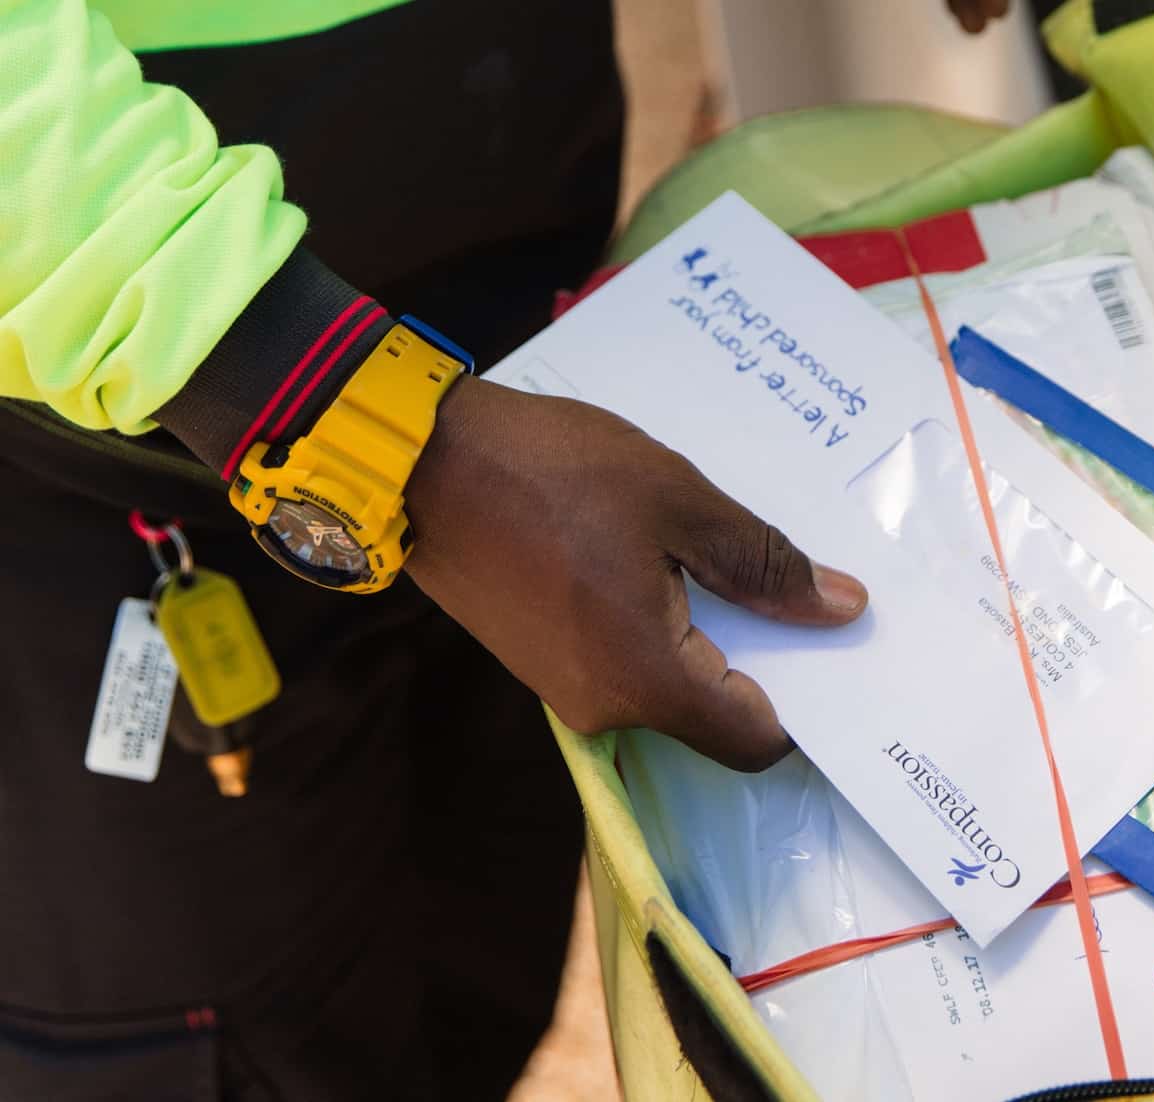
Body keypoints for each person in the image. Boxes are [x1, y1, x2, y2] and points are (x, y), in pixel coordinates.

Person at [0, 0, 1010, 1097]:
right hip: (116, 412)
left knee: (481, 952)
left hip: (510, 273)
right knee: (243, 1039)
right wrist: (336, 402)